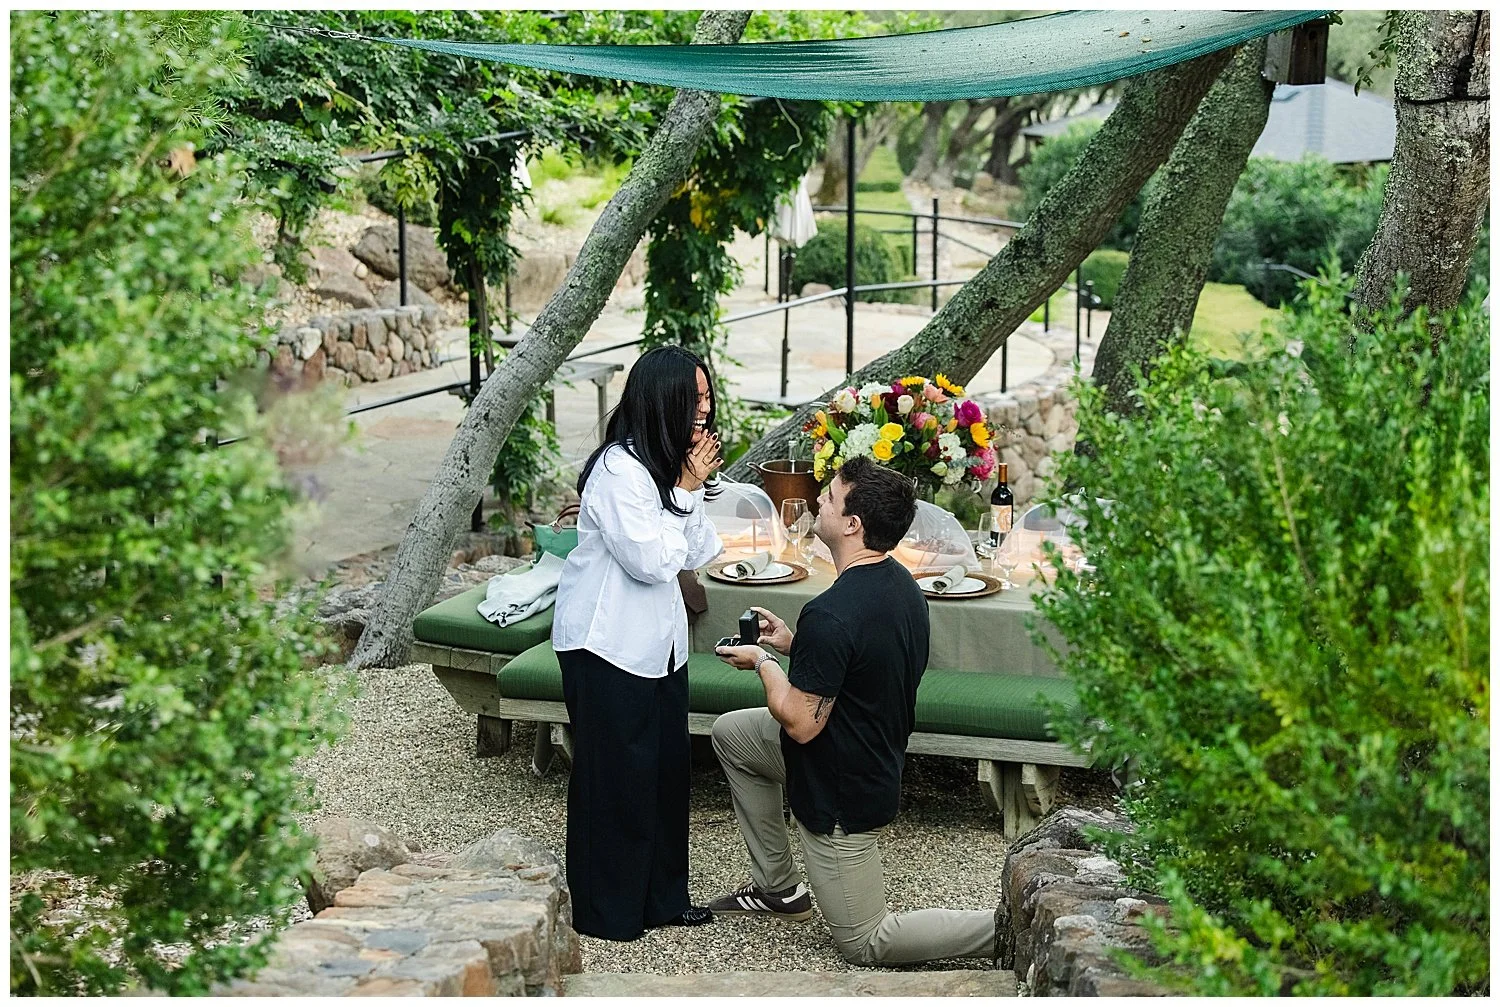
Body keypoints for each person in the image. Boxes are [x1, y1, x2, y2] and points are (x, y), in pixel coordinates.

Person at [711, 456, 998, 966]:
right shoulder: (903, 586)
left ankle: (1007, 926)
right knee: (734, 734)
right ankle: (779, 890)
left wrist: (762, 660)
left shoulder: (832, 610)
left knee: (867, 941)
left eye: (830, 495)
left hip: (844, 786)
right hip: (871, 751)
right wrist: (797, 645)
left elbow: (800, 722)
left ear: (852, 524)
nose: (819, 499)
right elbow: (861, 667)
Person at [551, 345, 725, 941]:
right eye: (694, 398)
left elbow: (701, 551)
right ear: (663, 401)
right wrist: (682, 491)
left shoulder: (666, 466)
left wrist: (689, 489)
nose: (704, 409)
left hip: (659, 646)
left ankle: (662, 900)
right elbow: (651, 562)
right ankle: (607, 913)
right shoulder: (618, 471)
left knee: (664, 774)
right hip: (606, 646)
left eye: (707, 396)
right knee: (614, 779)